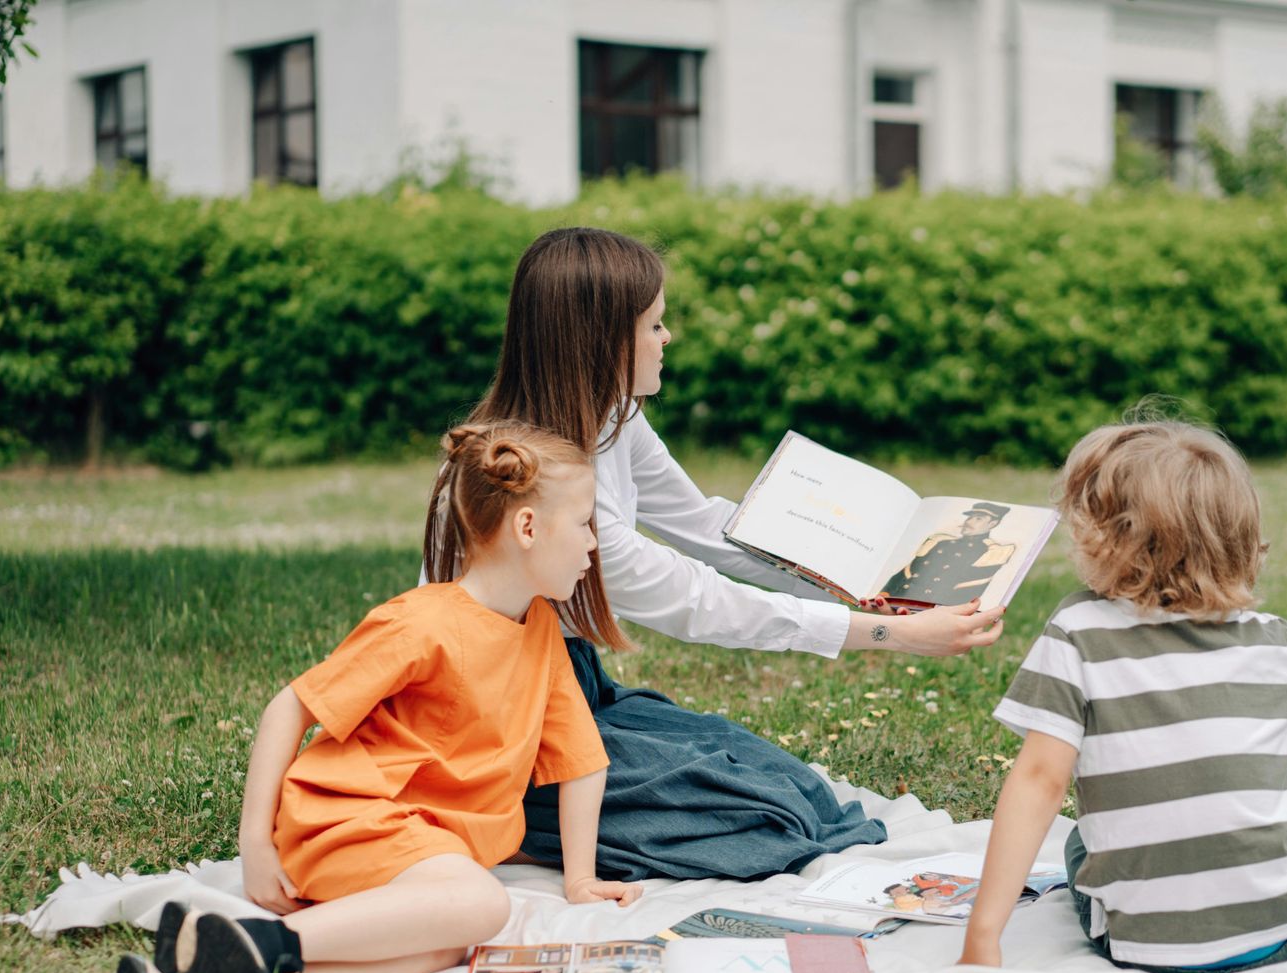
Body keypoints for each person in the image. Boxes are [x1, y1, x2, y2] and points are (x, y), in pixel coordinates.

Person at [422, 227, 1006, 883]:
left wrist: (859, 583)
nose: (666, 339)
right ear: (600, 340)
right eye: (654, 325)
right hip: (501, 726)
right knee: (771, 822)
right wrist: (884, 634)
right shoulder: (535, 484)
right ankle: (513, 822)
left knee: (803, 795)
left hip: (575, 689)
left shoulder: (613, 417)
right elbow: (696, 600)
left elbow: (706, 525)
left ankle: (554, 816)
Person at [116, 422, 643, 973]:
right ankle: (266, 942)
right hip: (349, 822)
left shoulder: (540, 632)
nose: (594, 542)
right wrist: (254, 842)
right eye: (585, 522)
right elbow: (290, 706)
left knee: (448, 940)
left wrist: (580, 881)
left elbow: (581, 760)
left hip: (415, 845)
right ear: (528, 529)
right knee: (482, 904)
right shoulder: (422, 622)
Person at [958, 419, 1287, 973]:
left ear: (1102, 536)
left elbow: (1039, 780)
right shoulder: (1275, 642)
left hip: (1141, 949)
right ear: (1241, 539)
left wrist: (982, 937)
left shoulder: (1077, 631)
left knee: (1081, 841)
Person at [880, 502, 1017, 604]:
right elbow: (910, 570)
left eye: (978, 519)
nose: (969, 522)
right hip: (901, 596)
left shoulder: (990, 552)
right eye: (969, 517)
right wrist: (887, 591)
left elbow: (969, 588)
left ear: (993, 523)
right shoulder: (942, 542)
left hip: (933, 606)